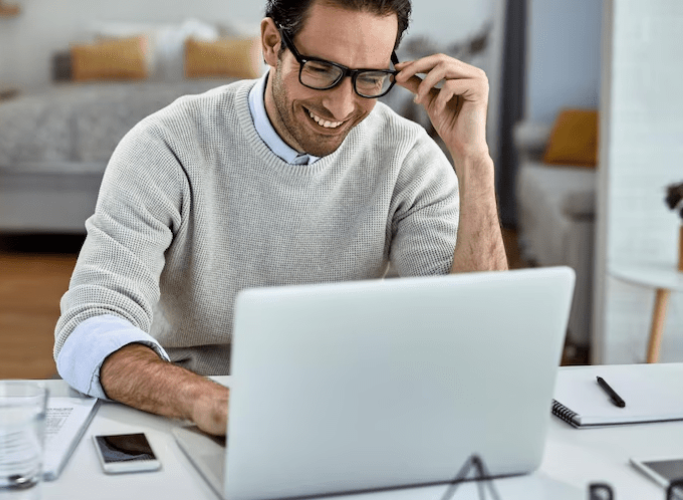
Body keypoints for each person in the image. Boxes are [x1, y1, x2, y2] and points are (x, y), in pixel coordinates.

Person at [53, 0, 508, 436]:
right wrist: (211, 404)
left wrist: (474, 161)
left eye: (369, 78)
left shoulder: (407, 157)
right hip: (189, 416)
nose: (342, 106)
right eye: (322, 70)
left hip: (348, 414)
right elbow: (88, 327)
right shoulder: (166, 146)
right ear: (271, 43)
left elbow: (474, 340)